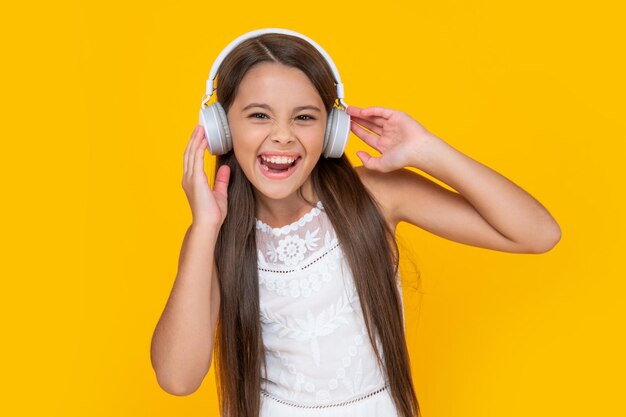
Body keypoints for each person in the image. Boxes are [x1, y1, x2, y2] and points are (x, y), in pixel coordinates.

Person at [150, 29, 561, 417]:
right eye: (259, 115)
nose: (282, 136)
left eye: (304, 118)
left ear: (332, 131)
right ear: (221, 129)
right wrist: (204, 228)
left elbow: (538, 233)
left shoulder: (376, 195)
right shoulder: (212, 233)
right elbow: (177, 378)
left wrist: (428, 151)